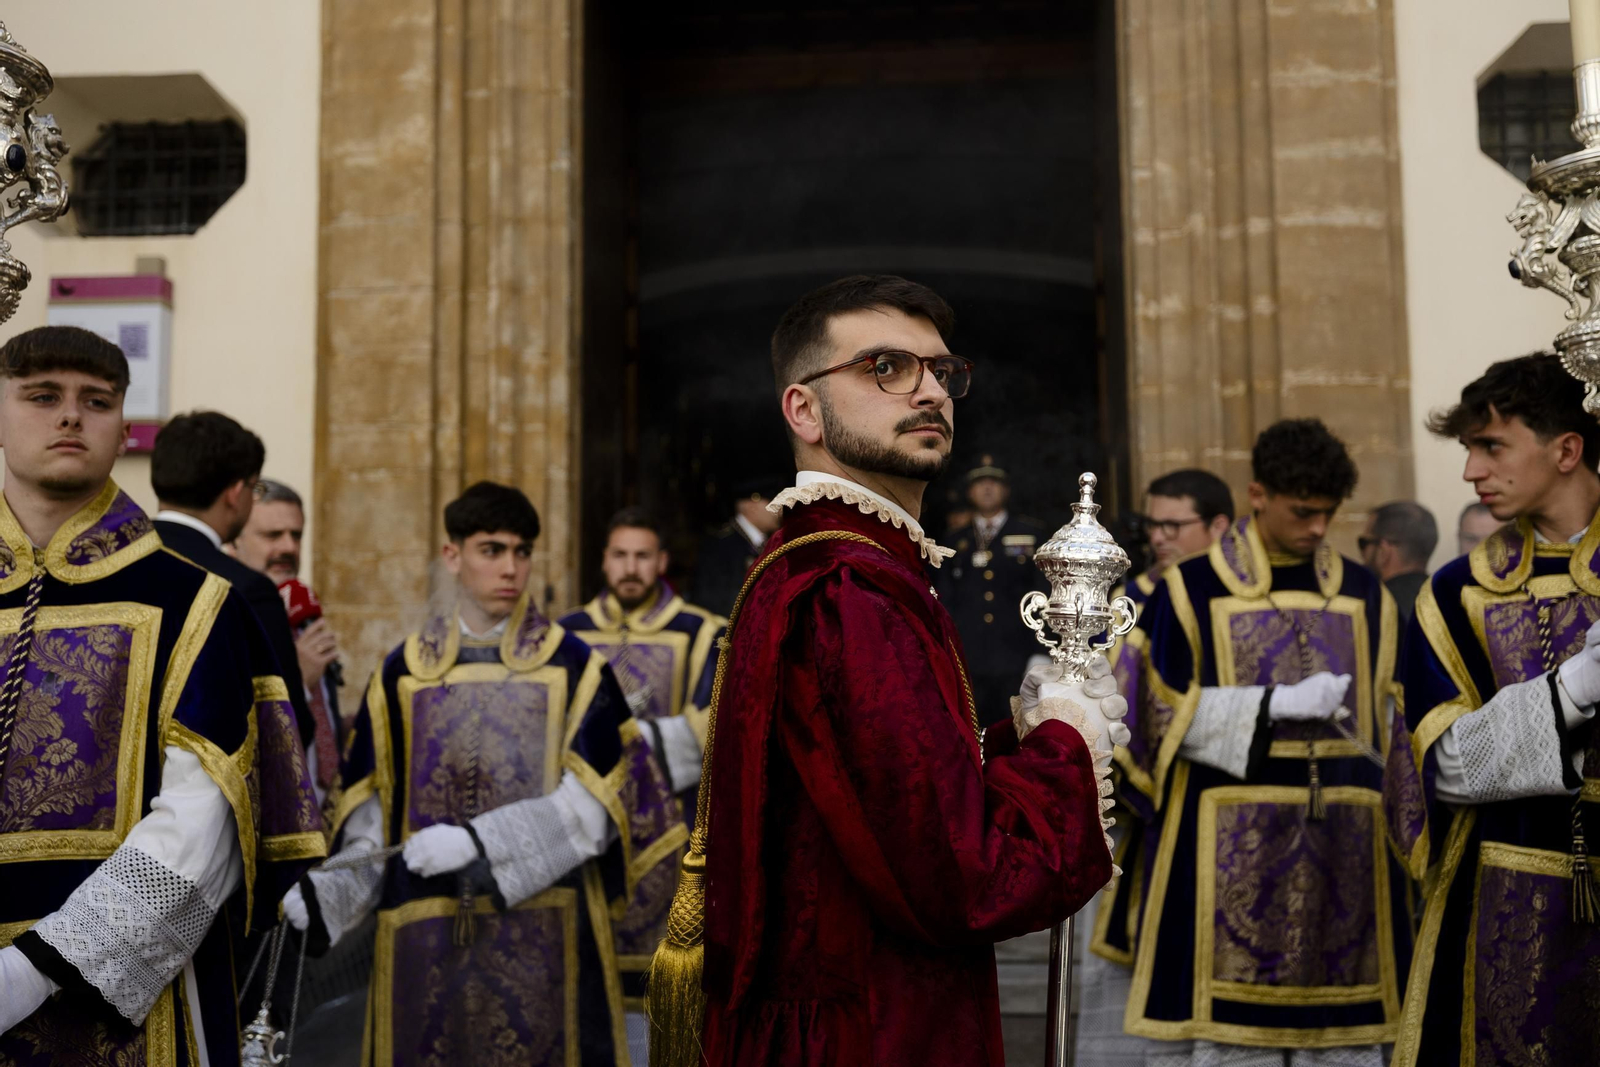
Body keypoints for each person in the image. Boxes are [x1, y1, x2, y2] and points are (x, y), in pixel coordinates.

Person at [650, 275, 1130, 1067]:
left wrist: (1022, 735)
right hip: (867, 1030)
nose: (929, 391)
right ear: (803, 409)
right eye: (885, 367)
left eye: (942, 371)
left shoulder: (833, 562)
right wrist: (1064, 753)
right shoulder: (850, 587)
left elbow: (890, 799)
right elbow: (957, 875)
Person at [0, 326, 323, 1059]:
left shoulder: (196, 601)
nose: (70, 416)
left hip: (130, 999)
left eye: (97, 400)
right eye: (42, 395)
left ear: (124, 429)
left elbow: (203, 824)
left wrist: (31, 969)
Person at [284, 480, 684, 1065]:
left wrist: (479, 843)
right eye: (491, 550)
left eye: (522, 552)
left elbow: (598, 809)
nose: (511, 569)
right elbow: (373, 819)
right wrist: (332, 891)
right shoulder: (403, 671)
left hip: (548, 936)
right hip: (426, 938)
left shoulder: (574, 665)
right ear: (453, 556)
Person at [1122, 418, 1407, 1064]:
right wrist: (1273, 707)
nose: (1316, 528)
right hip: (1223, 849)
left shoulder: (1366, 593)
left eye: (1327, 514)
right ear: (1257, 494)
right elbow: (1150, 714)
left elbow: (1397, 727)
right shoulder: (1190, 588)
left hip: (1344, 852)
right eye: (1302, 511)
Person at [1385, 353, 1600, 1066]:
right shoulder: (1456, 592)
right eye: (1469, 449)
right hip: (1503, 894)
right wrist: (1570, 692)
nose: (1472, 472)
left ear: (1566, 449)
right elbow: (1436, 767)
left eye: (1492, 445)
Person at [1080, 467, 1233, 1065]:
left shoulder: (1240, 599)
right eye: (1153, 525)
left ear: (1219, 524)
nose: (1159, 538)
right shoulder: (1132, 600)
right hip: (1150, 816)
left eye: (1175, 525)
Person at [150, 412, 315, 745]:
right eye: (253, 490)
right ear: (236, 492)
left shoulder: (111, 564)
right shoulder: (248, 590)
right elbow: (285, 728)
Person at [234, 478, 345, 809]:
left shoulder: (302, 615)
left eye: (295, 535)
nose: (289, 548)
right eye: (272, 535)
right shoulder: (226, 618)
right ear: (234, 541)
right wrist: (298, 683)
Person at [935, 456, 1051, 724]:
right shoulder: (955, 541)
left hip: (1017, 655)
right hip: (970, 658)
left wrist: (1040, 650)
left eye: (994, 482)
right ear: (970, 491)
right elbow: (945, 600)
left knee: (1017, 734)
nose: (987, 488)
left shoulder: (1031, 536)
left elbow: (1043, 595)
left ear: (1006, 489)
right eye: (980, 483)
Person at [691, 475, 784, 618]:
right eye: (773, 501)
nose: (781, 509)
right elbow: (714, 604)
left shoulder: (771, 543)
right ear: (752, 506)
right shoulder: (720, 548)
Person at [1359, 500, 1437, 628]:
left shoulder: (1374, 608)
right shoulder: (1449, 601)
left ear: (1384, 550)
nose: (1362, 553)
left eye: (1363, 543)